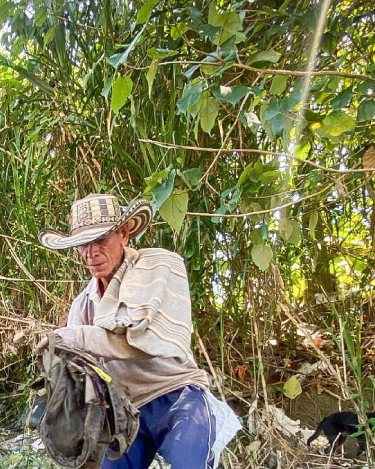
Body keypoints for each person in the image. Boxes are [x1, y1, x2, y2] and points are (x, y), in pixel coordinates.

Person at [37, 193, 241, 469]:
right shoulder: (84, 304)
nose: (91, 252)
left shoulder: (157, 268)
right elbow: (83, 371)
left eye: (100, 240)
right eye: (83, 244)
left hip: (178, 397)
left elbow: (137, 340)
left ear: (124, 234)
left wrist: (77, 337)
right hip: (127, 412)